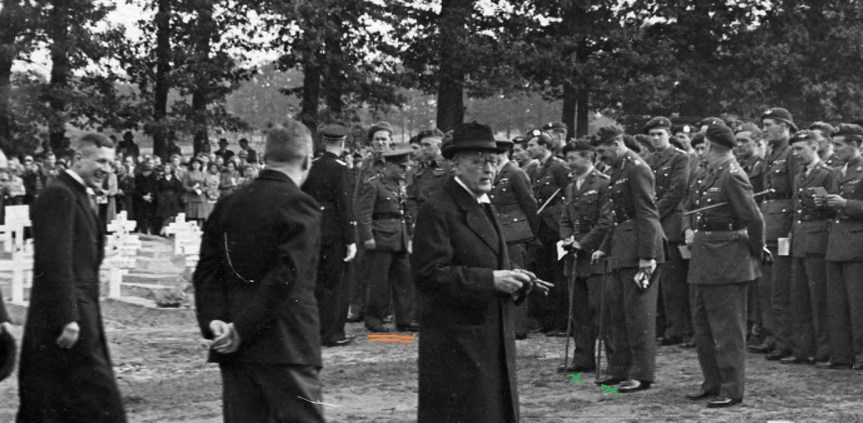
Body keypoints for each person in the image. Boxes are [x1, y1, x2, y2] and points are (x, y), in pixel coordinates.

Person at [412, 121, 551, 423]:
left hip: (488, 337)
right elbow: (428, 275)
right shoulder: (438, 209)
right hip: (457, 345)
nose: (488, 168)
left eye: (492, 161)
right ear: (455, 165)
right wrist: (491, 280)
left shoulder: (483, 203)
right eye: (477, 162)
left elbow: (482, 255)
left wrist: (514, 275)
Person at [193, 120, 325, 422]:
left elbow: (206, 272)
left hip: (233, 345)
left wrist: (216, 322)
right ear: (307, 159)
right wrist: (242, 329)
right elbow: (286, 278)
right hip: (286, 344)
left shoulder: (228, 204)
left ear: (266, 156)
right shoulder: (300, 204)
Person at [17, 132, 127, 422]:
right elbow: (55, 261)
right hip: (66, 319)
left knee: (58, 402)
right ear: (79, 158)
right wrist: (68, 317)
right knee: (95, 400)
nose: (106, 169)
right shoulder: (59, 194)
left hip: (81, 313)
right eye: (100, 161)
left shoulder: (79, 194)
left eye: (111, 163)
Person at [683, 123, 765, 408]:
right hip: (707, 256)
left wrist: (755, 252)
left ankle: (732, 388)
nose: (701, 151)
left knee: (727, 329)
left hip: (728, 258)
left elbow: (753, 219)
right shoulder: (711, 172)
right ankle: (712, 382)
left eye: (703, 146)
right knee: (703, 325)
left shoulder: (732, 175)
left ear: (710, 146)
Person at [590, 125, 665, 393]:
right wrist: (604, 245)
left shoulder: (637, 168)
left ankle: (641, 373)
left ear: (617, 143)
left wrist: (647, 256)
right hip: (622, 248)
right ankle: (620, 369)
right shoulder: (617, 170)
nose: (600, 158)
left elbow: (647, 213)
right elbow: (616, 216)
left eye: (602, 151)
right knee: (617, 313)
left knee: (638, 315)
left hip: (638, 252)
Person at [750, 107, 800, 361]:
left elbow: (796, 194)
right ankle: (771, 336)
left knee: (780, 289)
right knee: (766, 288)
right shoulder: (770, 154)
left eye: (770, 124)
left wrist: (791, 232)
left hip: (783, 228)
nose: (765, 129)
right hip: (768, 224)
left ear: (784, 126)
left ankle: (785, 341)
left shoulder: (792, 153)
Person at [302, 123, 358, 347]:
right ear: (343, 143)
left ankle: (315, 331)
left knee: (317, 281)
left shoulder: (311, 166)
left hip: (314, 228)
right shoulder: (340, 168)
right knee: (337, 283)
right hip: (335, 231)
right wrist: (351, 239)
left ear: (323, 142)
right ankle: (333, 333)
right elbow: (345, 205)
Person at [558, 140, 611, 372]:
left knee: (601, 310)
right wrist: (568, 239)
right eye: (567, 159)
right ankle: (582, 359)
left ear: (588, 157)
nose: (569, 163)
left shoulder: (603, 183)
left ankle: (613, 362)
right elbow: (565, 219)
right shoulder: (571, 187)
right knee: (578, 311)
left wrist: (583, 244)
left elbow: (606, 221)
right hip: (574, 257)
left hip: (595, 256)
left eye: (572, 158)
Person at [782, 130, 834, 366]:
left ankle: (823, 350)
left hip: (817, 241)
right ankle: (802, 349)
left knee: (818, 298)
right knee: (799, 297)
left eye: (801, 149)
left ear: (815, 147)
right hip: (800, 241)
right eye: (794, 149)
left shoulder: (826, 174)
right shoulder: (799, 176)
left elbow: (833, 209)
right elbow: (796, 210)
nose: (796, 154)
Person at [355, 144, 417, 333]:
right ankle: (374, 319)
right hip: (381, 238)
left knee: (405, 280)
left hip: (400, 237)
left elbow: (404, 211)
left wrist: (410, 236)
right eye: (402, 167)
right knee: (378, 282)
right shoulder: (373, 184)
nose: (405, 171)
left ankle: (405, 319)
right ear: (389, 166)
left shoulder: (400, 185)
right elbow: (364, 213)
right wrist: (367, 237)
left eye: (406, 167)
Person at [644, 116, 692, 347]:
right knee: (656, 279)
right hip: (653, 223)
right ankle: (660, 325)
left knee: (673, 281)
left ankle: (677, 328)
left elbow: (677, 191)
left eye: (659, 134)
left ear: (668, 134)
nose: (655, 138)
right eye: (652, 134)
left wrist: (652, 214)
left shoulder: (680, 158)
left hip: (671, 223)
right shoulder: (647, 159)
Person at [819, 123, 863, 370]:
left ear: (856, 144)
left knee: (858, 304)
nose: (835, 150)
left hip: (857, 244)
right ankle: (841, 354)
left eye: (839, 145)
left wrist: (846, 203)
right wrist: (823, 202)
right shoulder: (838, 171)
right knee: (837, 303)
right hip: (836, 242)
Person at [489, 138, 539, 339]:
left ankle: (518, 327)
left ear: (502, 153)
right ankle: (506, 324)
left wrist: (532, 233)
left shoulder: (516, 173)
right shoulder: (494, 173)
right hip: (497, 232)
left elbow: (530, 204)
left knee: (519, 277)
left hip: (516, 233)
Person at [526, 130, 571, 334]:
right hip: (542, 227)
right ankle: (549, 319)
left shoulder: (559, 166)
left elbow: (569, 194)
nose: (529, 149)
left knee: (559, 273)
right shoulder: (535, 169)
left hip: (556, 225)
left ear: (544, 146)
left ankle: (562, 321)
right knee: (545, 271)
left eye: (532, 145)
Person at [406, 128, 450, 220]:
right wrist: (418, 217)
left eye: (427, 145)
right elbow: (411, 196)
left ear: (439, 145)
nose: (423, 148)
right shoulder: (419, 168)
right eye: (421, 145)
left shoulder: (449, 167)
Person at [155, 164, 184, 234]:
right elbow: (158, 190)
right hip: (163, 199)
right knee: (163, 215)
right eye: (165, 168)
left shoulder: (175, 180)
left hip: (173, 200)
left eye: (168, 168)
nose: (166, 170)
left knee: (172, 215)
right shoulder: (160, 180)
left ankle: (169, 230)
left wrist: (176, 197)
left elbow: (179, 190)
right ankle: (163, 230)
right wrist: (160, 198)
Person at [134, 160, 159, 234]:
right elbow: (135, 189)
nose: (146, 173)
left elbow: (156, 188)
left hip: (151, 200)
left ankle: (151, 230)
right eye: (144, 171)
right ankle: (142, 230)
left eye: (148, 171)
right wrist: (142, 196)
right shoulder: (138, 178)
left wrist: (150, 196)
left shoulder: (154, 178)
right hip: (140, 200)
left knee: (151, 216)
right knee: (141, 216)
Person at [183, 157, 208, 225]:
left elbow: (207, 185)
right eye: (194, 163)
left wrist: (202, 189)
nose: (196, 165)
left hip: (200, 197)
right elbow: (184, 185)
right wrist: (191, 189)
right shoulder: (187, 173)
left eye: (197, 163)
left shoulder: (203, 174)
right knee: (190, 216)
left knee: (200, 217)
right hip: (191, 197)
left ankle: (199, 231)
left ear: (200, 165)